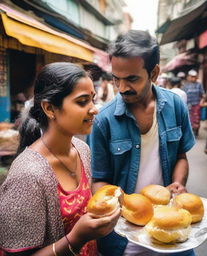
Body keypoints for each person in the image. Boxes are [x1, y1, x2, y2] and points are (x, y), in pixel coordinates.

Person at [88, 30, 196, 256]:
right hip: (123, 239)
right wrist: (120, 204)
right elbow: (98, 179)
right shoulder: (103, 120)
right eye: (116, 78)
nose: (122, 87)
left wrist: (178, 182)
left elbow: (181, 157)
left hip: (170, 224)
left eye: (132, 78)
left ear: (154, 73)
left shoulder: (175, 106)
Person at [0, 62, 120, 256]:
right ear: (49, 108)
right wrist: (76, 238)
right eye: (82, 102)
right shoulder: (27, 176)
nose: (94, 109)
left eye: (92, 99)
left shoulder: (82, 149)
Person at [183, 70, 205, 137]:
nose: (193, 78)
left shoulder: (199, 84)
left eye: (195, 77)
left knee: (196, 119)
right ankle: (189, 132)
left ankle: (196, 132)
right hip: (188, 105)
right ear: (188, 77)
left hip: (196, 105)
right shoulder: (185, 85)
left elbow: (203, 94)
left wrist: (202, 101)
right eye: (192, 77)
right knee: (189, 119)